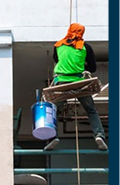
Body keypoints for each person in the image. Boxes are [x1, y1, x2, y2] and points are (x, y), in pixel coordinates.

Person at [44, 23, 108, 151]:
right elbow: (93, 68)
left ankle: (53, 137)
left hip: (61, 81)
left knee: (53, 110)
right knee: (91, 110)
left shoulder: (58, 45)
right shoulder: (86, 47)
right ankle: (99, 135)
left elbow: (57, 60)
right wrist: (81, 67)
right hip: (79, 83)